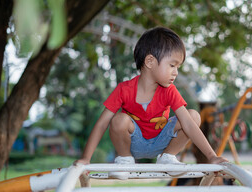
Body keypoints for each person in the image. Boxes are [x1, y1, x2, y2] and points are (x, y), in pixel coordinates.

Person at [74, 27, 228, 178]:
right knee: (119, 120)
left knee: (193, 116)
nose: (176, 72)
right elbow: (101, 124)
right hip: (133, 143)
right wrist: (86, 159)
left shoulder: (169, 90)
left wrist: (212, 156)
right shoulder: (123, 90)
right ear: (150, 61)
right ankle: (125, 160)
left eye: (178, 67)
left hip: (163, 141)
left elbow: (188, 124)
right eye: (172, 65)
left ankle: (167, 158)